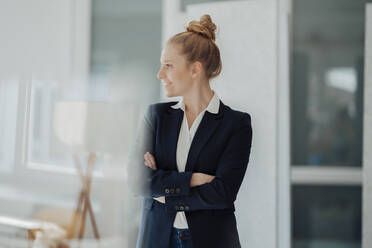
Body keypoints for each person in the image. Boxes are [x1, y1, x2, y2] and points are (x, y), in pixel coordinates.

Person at [127, 14, 253, 248]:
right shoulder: (155, 117)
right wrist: (194, 179)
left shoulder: (236, 124)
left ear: (195, 69)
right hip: (156, 239)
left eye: (168, 65)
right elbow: (137, 180)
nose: (160, 74)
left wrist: (163, 193)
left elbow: (222, 193)